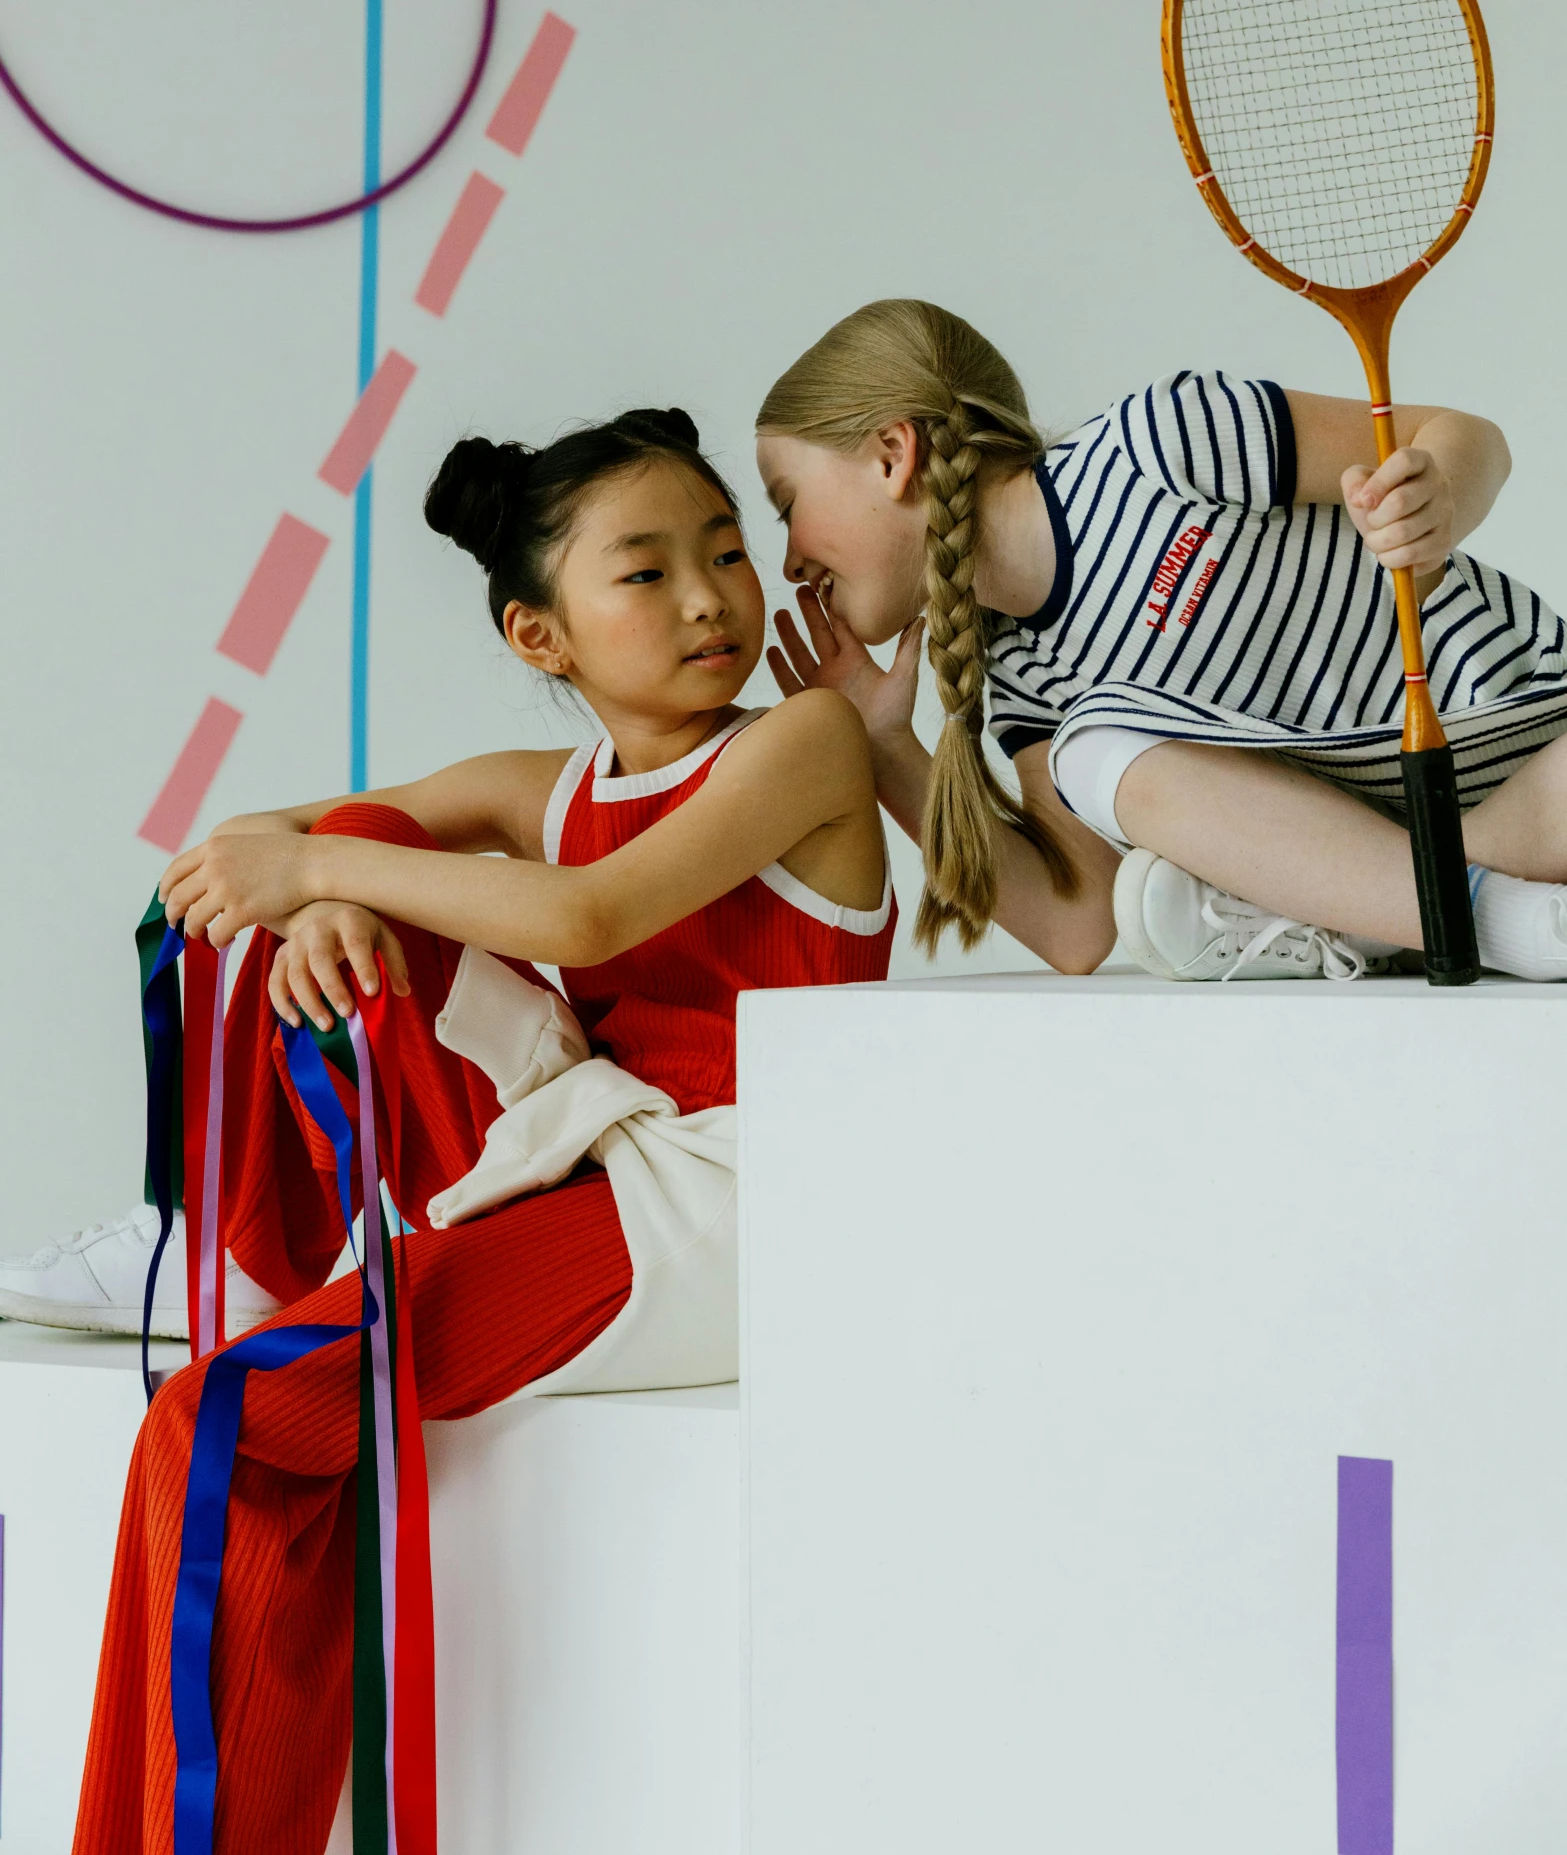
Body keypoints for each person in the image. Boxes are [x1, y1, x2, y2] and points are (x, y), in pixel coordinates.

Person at [68, 405, 893, 1855]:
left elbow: (594, 913)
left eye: (721, 550)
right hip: (590, 1147)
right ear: (539, 636)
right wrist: (333, 885)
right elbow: (246, 850)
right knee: (367, 861)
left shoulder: (804, 743)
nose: (708, 594)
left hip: (728, 1204)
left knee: (218, 1422)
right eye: (643, 572)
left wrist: (321, 867)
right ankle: (252, 1242)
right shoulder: (542, 790)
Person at [755, 298, 1567, 982]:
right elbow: (1077, 927)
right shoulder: (1028, 672)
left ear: (892, 455)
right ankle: (1492, 919)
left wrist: (1439, 496)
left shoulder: (1155, 444)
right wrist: (886, 746)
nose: (789, 558)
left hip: (1538, 747)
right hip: (1408, 844)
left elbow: (1463, 433)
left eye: (787, 502)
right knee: (1089, 747)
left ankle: (1384, 917)